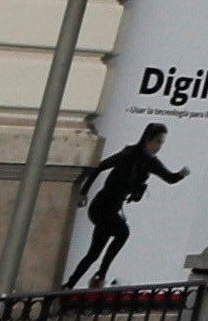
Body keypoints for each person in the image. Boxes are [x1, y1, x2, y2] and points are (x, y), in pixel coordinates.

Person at [70, 122, 189, 288]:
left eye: (161, 143)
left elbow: (170, 178)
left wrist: (182, 173)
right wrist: (83, 193)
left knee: (94, 253)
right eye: (157, 142)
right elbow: (100, 167)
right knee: (122, 233)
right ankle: (100, 275)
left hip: (113, 209)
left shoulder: (151, 162)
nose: (159, 147)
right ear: (148, 139)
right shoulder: (129, 153)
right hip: (101, 206)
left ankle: (70, 284)